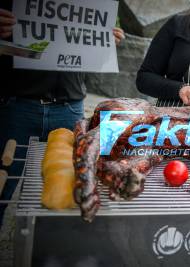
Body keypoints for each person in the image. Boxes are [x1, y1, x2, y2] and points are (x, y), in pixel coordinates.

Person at [0, 1, 125, 227]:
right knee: (3, 181)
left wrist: (108, 41)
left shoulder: (95, 5)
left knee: (72, 185)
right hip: (19, 104)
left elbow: (95, 59)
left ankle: (56, 247)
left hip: (70, 107)